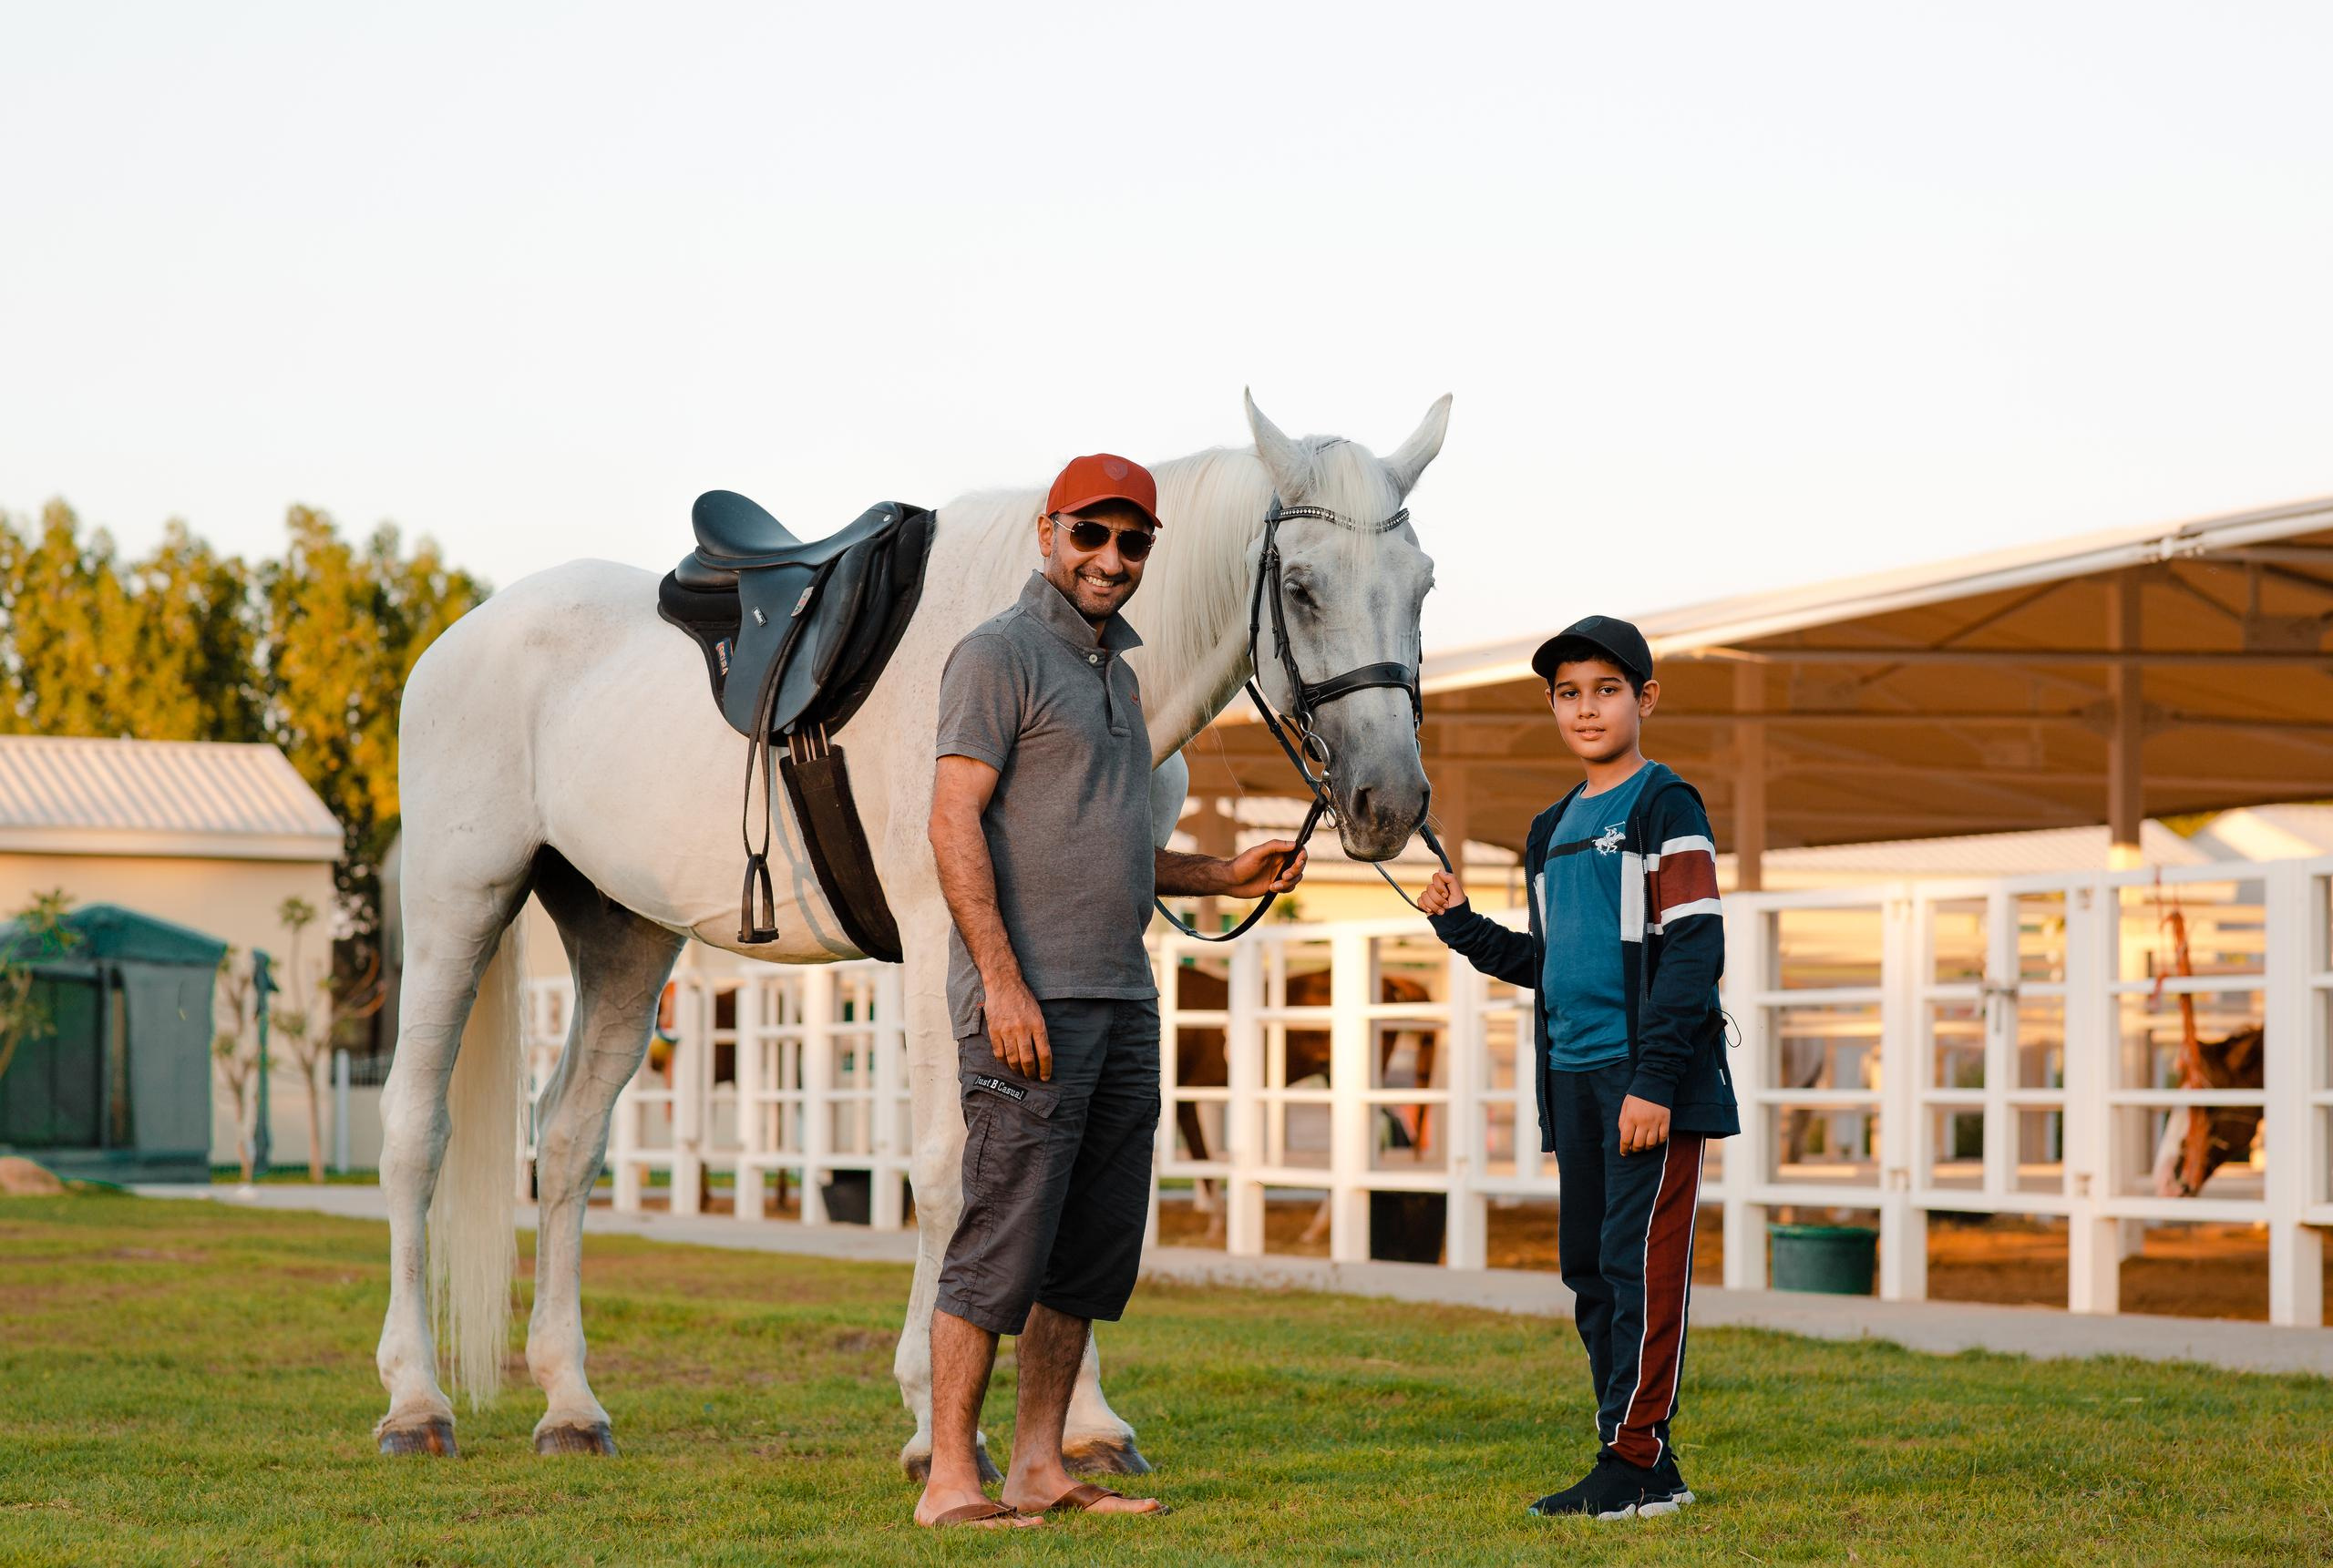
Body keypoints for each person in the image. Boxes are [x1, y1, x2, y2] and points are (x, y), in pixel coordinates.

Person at [915, 452, 1308, 1530]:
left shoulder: (1121, 680)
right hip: (1029, 1005)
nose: (1110, 556)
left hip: (1123, 1004)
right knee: (999, 1243)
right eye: (1090, 532)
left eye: (1132, 540)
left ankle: (1039, 1466)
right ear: (1048, 533)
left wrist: (1221, 873)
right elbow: (952, 822)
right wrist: (1002, 983)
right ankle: (949, 1477)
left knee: (1086, 1255)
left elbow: (1114, 846)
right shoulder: (996, 653)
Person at [1417, 615, 1738, 1522]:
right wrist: (1460, 925)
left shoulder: (1665, 804)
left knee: (1641, 1270)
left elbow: (1694, 949)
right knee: (1590, 1271)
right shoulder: (1549, 825)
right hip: (1573, 1077)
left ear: (1645, 698)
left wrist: (1655, 1081)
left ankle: (1632, 1461)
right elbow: (1550, 960)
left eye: (1605, 690)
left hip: (1647, 1081)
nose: (1586, 708)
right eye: (1567, 693)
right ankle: (1640, 1463)